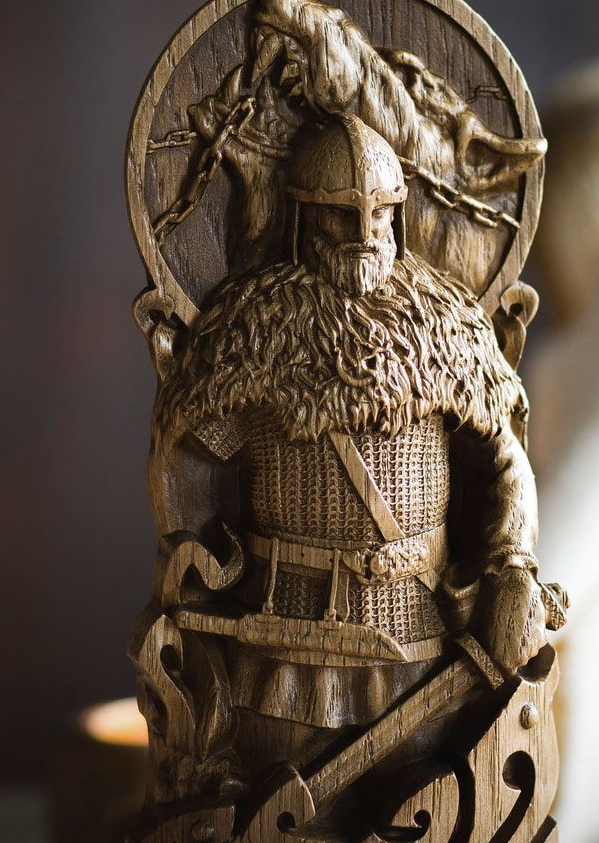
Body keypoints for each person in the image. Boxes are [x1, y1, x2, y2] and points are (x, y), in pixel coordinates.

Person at [146, 112, 547, 788]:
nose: (364, 235)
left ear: (400, 215)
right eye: (341, 215)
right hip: (286, 640)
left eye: (380, 214)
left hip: (423, 638)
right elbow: (190, 457)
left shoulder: (448, 330)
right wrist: (189, 559)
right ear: (303, 217)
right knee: (283, 797)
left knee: (423, 791)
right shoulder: (253, 332)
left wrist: (512, 563)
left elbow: (505, 461)